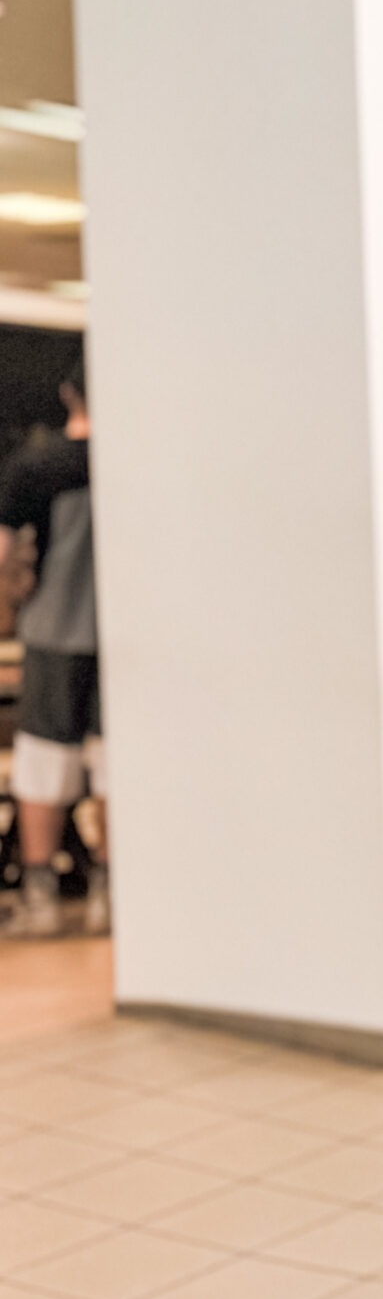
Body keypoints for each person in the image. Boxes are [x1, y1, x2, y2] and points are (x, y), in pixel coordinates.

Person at [0, 361, 105, 940]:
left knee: (42, 762)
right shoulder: (132, 460)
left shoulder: (37, 465)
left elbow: (4, 551)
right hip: (123, 637)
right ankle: (112, 892)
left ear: (68, 394)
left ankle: (39, 896)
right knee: (115, 765)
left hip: (53, 632)